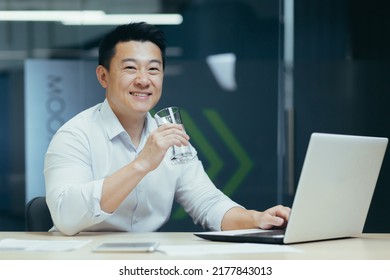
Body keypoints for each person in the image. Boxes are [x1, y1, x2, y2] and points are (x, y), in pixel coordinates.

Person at [44, 22, 290, 236]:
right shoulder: (75, 135)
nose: (143, 79)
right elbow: (65, 217)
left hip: (146, 261)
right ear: (103, 76)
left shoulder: (169, 136)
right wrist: (141, 164)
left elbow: (208, 203)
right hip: (83, 260)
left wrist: (256, 219)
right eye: (130, 68)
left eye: (153, 69)